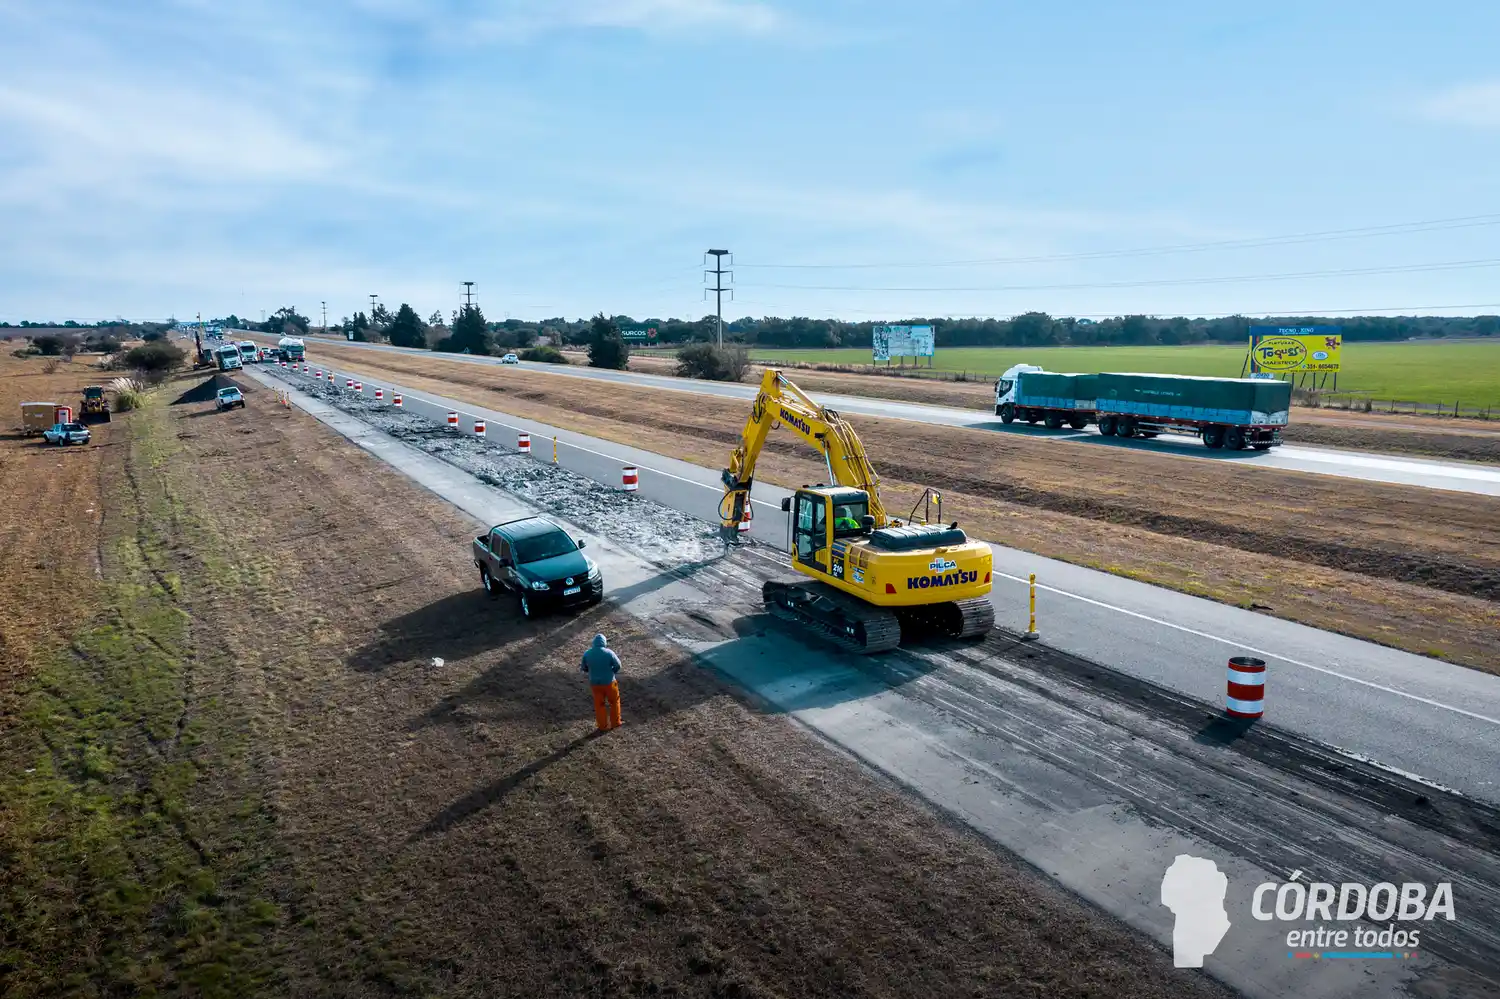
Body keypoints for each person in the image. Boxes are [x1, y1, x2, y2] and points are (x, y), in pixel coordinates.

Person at [580, 633, 622, 731]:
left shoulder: (587, 653)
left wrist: (591, 671)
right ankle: (616, 722)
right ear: (604, 643)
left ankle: (602, 726)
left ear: (593, 643)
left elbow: (583, 667)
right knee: (614, 702)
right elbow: (618, 665)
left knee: (599, 705)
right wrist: (612, 671)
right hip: (609, 682)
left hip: (595, 684)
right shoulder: (609, 653)